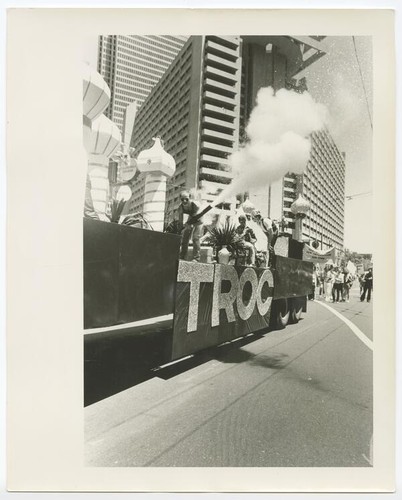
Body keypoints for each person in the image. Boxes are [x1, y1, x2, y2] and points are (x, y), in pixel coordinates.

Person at [177, 190, 203, 262]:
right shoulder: (181, 207)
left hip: (199, 219)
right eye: (182, 199)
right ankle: (182, 255)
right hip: (191, 218)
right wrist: (180, 231)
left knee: (195, 237)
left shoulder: (195, 205)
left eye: (186, 199)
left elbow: (199, 220)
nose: (184, 201)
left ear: (190, 198)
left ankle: (196, 258)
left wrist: (189, 224)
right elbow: (180, 221)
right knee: (185, 236)